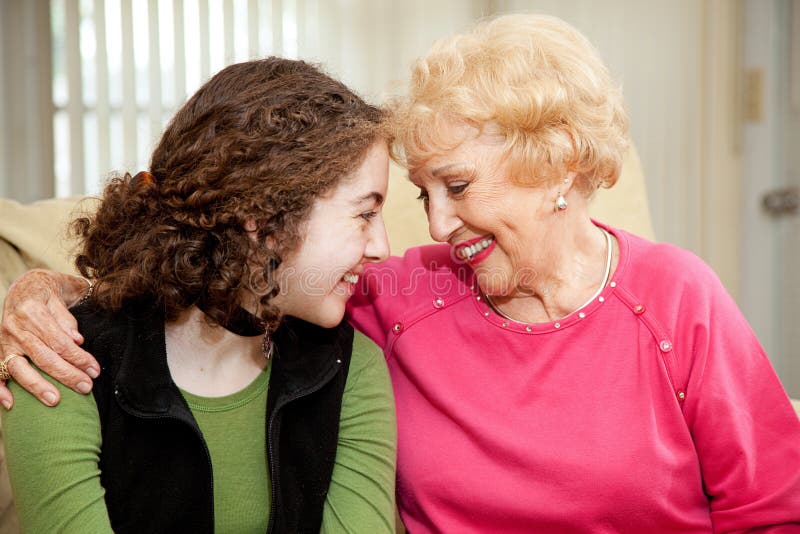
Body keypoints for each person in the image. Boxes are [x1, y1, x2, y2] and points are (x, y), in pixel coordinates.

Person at [3, 14, 800, 533]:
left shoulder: (675, 297)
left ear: (555, 161)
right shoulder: (408, 292)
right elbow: (236, 271)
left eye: (457, 187)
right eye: (421, 195)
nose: (436, 227)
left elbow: (773, 510)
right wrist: (52, 290)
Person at [0, 57, 397, 533]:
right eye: (364, 215)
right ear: (263, 218)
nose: (383, 249)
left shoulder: (350, 365)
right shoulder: (58, 356)